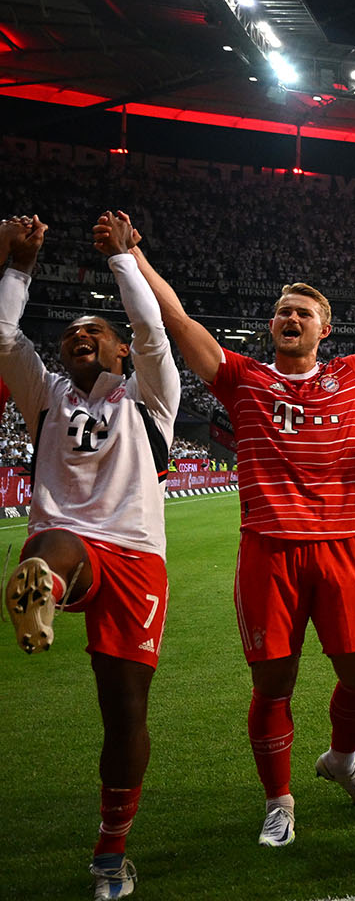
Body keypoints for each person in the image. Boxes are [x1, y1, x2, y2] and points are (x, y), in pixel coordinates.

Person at [133, 226, 355, 846]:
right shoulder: (242, 378)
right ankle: (280, 799)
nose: (289, 318)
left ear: (323, 329)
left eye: (302, 312)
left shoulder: (354, 375)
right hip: (268, 549)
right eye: (281, 311)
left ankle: (341, 759)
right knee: (273, 683)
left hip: (341, 548)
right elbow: (174, 316)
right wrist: (134, 253)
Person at [1, 212, 179, 900]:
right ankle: (41, 584)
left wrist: (122, 259)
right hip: (69, 541)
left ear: (119, 353)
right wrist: (18, 266)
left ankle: (111, 853)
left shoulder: (151, 399)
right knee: (53, 546)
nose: (78, 338)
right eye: (70, 334)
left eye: (93, 333)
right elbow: (3, 336)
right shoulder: (43, 396)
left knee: (125, 711)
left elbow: (155, 332)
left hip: (136, 557)